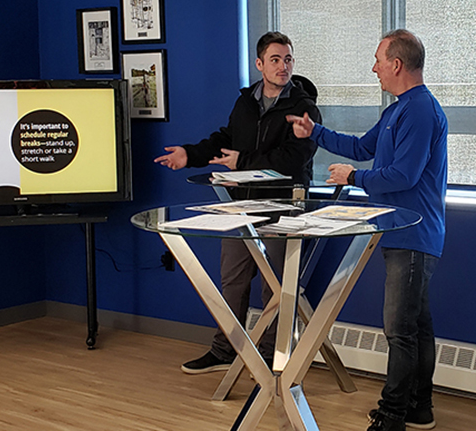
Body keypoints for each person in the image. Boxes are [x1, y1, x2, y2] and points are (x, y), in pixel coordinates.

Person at [287, 29, 447, 431]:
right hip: (398, 233)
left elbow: (404, 176)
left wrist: (355, 177)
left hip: (414, 234)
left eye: (378, 60)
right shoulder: (396, 110)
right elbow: (362, 146)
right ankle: (418, 408)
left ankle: (393, 415)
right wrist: (316, 132)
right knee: (415, 325)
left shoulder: (422, 110)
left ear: (397, 64)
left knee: (399, 330)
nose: (373, 67)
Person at [154, 32, 322, 374]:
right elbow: (225, 140)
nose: (283, 66)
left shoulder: (304, 108)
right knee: (232, 279)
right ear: (259, 64)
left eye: (288, 59)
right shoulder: (245, 103)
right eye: (275, 60)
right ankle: (225, 349)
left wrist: (243, 161)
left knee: (275, 284)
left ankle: (274, 358)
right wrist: (191, 154)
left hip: (283, 207)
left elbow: (293, 160)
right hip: (240, 205)